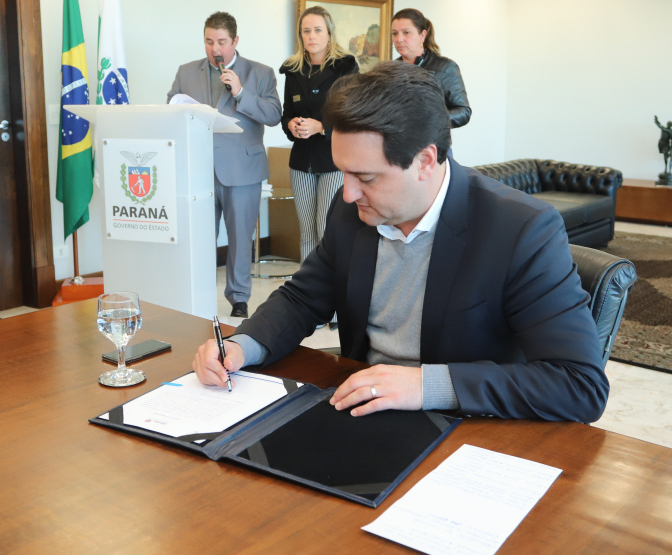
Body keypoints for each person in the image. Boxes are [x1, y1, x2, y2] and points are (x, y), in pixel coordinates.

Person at [192, 63, 608, 423]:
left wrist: (426, 386)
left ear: (425, 161)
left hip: (467, 428)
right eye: (344, 173)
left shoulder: (521, 230)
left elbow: (579, 384)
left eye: (366, 178)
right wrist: (241, 347)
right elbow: (303, 299)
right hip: (362, 415)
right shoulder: (353, 206)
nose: (349, 193)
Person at [167, 11, 282, 319]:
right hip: (198, 170)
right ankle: (198, 292)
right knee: (200, 237)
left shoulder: (261, 72)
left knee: (240, 238)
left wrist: (241, 92)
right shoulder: (186, 71)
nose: (214, 49)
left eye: (221, 42)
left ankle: (239, 297)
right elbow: (171, 109)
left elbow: (273, 115)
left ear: (235, 41)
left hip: (242, 170)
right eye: (208, 41)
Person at [280, 6, 358, 263]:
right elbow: (286, 113)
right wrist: (291, 124)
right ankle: (306, 295)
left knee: (326, 230)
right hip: (301, 162)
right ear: (300, 36)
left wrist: (321, 126)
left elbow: (351, 113)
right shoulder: (292, 70)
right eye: (306, 31)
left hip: (333, 160)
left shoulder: (345, 67)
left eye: (317, 30)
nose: (311, 36)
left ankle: (330, 294)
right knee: (307, 234)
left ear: (329, 34)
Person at [391, 8, 471, 129]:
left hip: (433, 144)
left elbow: (464, 112)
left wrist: (429, 119)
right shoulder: (390, 69)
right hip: (398, 144)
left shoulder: (446, 67)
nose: (399, 39)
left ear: (422, 35)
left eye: (406, 33)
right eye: (394, 33)